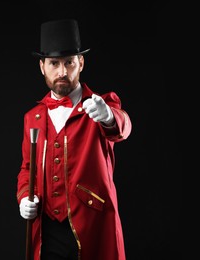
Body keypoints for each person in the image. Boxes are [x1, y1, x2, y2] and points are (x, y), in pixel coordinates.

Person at [16, 18, 132, 260]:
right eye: (54, 63)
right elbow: (28, 169)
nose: (61, 72)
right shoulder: (32, 117)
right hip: (47, 231)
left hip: (92, 227)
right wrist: (24, 196)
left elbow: (122, 126)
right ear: (42, 66)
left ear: (80, 63)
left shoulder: (101, 104)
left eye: (68, 62)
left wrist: (109, 116)